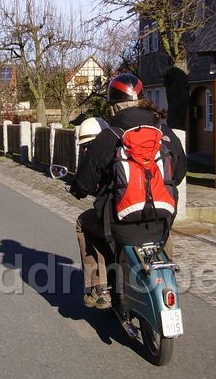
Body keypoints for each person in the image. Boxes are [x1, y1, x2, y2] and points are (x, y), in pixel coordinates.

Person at [69, 74, 187, 309]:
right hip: (161, 221)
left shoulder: (110, 136)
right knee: (162, 227)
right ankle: (167, 272)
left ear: (114, 108)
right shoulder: (165, 132)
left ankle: (100, 288)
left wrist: (78, 190)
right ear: (142, 100)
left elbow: (84, 182)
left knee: (84, 223)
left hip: (121, 225)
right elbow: (180, 171)